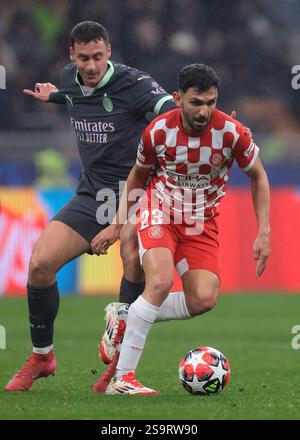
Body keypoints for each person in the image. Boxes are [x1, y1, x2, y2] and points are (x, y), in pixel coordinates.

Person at [4, 21, 176, 392]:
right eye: (84, 58)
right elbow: (72, 96)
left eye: (98, 57)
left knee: (132, 257)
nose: (92, 65)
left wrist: (200, 123)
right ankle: (42, 356)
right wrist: (53, 96)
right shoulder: (69, 78)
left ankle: (118, 367)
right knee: (39, 264)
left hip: (136, 193)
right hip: (91, 194)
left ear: (109, 52)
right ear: (72, 56)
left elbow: (167, 110)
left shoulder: (135, 84)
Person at [91, 63, 270, 394]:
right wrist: (117, 224)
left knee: (203, 298)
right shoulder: (158, 132)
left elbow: (258, 175)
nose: (204, 111)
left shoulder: (231, 133)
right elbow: (137, 176)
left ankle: (125, 316)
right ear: (178, 98)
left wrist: (264, 232)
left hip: (201, 223)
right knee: (159, 283)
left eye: (211, 103)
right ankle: (123, 379)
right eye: (196, 102)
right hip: (160, 211)